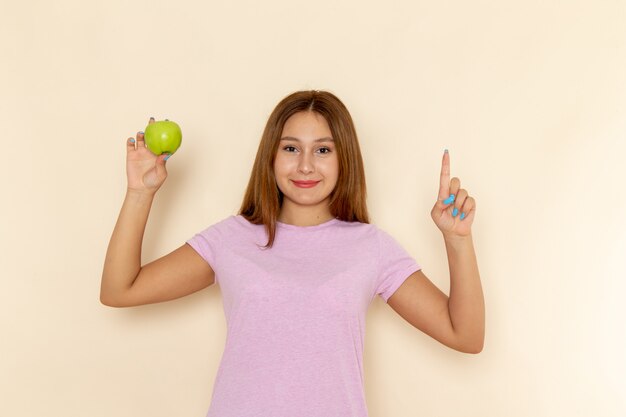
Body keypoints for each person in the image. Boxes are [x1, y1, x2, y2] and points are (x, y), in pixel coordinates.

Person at [100, 90, 485, 417]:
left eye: (322, 150)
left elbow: (465, 335)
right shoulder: (231, 238)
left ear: (344, 158)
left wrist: (458, 241)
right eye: (290, 148)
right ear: (271, 154)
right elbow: (121, 290)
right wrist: (140, 193)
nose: (305, 165)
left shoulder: (371, 247)